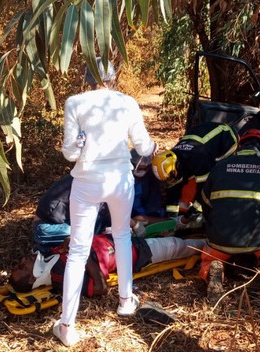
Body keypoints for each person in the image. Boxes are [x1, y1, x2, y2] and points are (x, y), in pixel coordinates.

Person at [54, 58, 157, 346]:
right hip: (120, 180)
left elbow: (70, 154)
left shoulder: (74, 102)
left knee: (77, 251)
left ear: (87, 79)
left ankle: (67, 327)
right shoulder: (128, 102)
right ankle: (125, 300)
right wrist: (154, 148)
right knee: (122, 234)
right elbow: (143, 146)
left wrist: (84, 143)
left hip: (86, 182)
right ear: (113, 78)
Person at [197, 125, 260, 304]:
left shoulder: (220, 166)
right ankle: (258, 264)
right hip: (257, 242)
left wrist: (214, 224)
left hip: (219, 241)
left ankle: (213, 271)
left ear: (239, 145)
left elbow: (205, 205)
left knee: (210, 257)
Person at [9, 234, 205, 297]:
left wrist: (71, 240)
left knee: (170, 228)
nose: (23, 261)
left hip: (118, 235)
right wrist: (84, 257)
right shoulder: (63, 280)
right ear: (33, 278)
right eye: (21, 267)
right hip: (138, 252)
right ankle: (214, 247)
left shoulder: (50, 258)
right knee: (177, 245)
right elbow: (101, 288)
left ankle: (197, 229)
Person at [151, 122, 238, 220]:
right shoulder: (174, 159)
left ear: (177, 166)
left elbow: (204, 188)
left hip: (227, 139)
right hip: (202, 138)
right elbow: (173, 188)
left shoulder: (198, 159)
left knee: (216, 174)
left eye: (171, 178)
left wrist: (193, 211)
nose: (171, 181)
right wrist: (172, 216)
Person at [32, 174, 111, 255]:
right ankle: (43, 251)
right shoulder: (88, 183)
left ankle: (48, 249)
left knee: (98, 224)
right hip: (45, 229)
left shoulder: (87, 176)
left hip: (53, 225)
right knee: (91, 231)